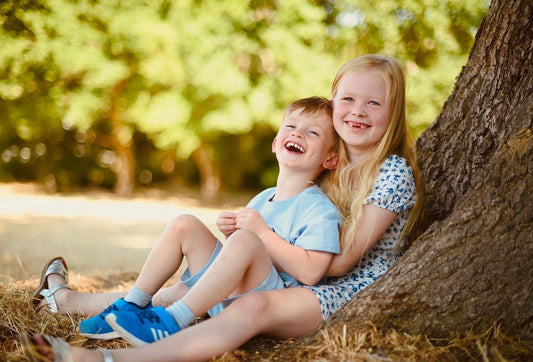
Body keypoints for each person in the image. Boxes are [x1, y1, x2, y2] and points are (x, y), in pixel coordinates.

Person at [22, 54, 425, 362]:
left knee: (251, 305)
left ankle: (110, 357)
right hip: (289, 269)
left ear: (393, 113)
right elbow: (286, 222)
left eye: (374, 103)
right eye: (349, 99)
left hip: (337, 290)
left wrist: (257, 239)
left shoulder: (390, 172)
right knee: (190, 279)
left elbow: (337, 265)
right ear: (333, 102)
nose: (358, 110)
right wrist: (241, 239)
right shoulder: (325, 162)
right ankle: (64, 301)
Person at [29, 97, 342, 341]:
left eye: (312, 132)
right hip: (238, 290)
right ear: (276, 143)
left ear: (330, 159)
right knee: (185, 224)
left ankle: (172, 321)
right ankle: (133, 304)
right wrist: (232, 235)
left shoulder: (318, 208)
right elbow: (242, 255)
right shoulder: (264, 198)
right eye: (290, 127)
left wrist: (256, 234)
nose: (298, 133)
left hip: (267, 303)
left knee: (231, 251)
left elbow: (312, 273)